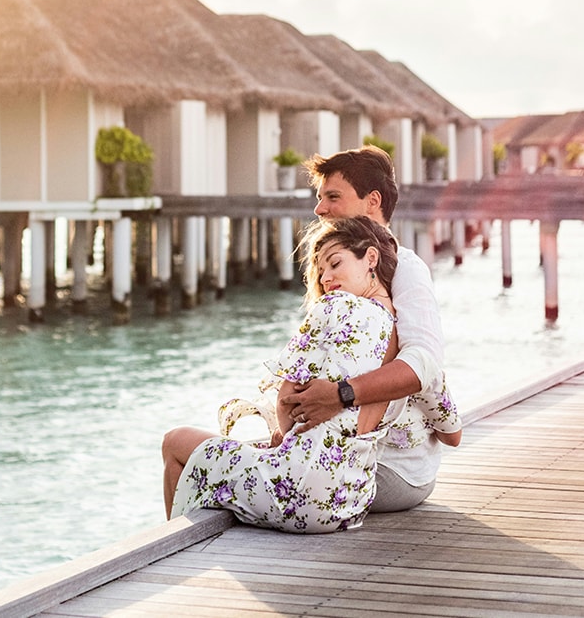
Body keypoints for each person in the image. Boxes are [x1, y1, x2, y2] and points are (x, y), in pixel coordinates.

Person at [163, 216, 408, 533]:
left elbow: (286, 402)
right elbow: (447, 430)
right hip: (351, 501)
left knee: (174, 442)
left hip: (298, 493)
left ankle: (170, 548)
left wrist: (284, 432)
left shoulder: (336, 305)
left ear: (370, 258)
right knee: (225, 459)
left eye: (335, 264)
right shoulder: (405, 335)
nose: (327, 278)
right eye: (321, 271)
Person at [281, 145, 462, 513]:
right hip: (341, 444)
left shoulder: (406, 270)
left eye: (333, 197)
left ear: (372, 201)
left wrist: (341, 394)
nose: (319, 209)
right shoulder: (338, 273)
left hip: (389, 464)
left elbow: (423, 365)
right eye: (319, 198)